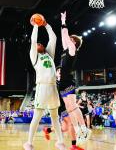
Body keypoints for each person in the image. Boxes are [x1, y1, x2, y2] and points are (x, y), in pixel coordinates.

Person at [23, 16, 66, 150]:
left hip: (53, 87)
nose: (37, 45)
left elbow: (53, 39)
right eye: (36, 45)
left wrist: (46, 25)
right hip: (42, 87)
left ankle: (60, 142)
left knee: (55, 116)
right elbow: (33, 40)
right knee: (37, 116)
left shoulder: (49, 55)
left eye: (39, 44)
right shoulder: (35, 57)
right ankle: (29, 143)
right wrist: (36, 25)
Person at [59, 11, 91, 144]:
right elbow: (63, 37)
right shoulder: (66, 49)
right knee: (68, 107)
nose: (68, 39)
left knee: (72, 107)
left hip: (69, 81)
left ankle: (84, 128)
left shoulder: (73, 49)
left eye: (71, 39)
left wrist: (64, 22)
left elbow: (66, 36)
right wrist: (62, 23)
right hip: (62, 82)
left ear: (74, 42)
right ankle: (78, 130)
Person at [43, 66, 84, 150]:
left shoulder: (67, 82)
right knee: (71, 123)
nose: (60, 72)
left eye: (62, 71)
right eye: (58, 71)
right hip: (60, 107)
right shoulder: (54, 83)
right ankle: (73, 146)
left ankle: (48, 130)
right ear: (56, 74)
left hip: (66, 105)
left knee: (64, 128)